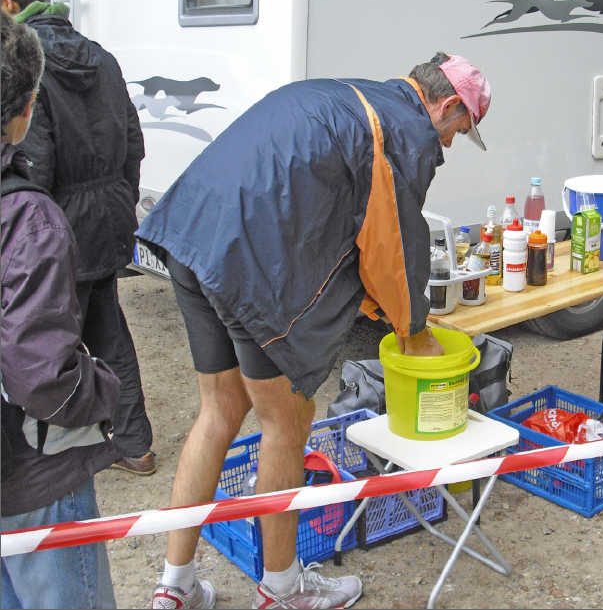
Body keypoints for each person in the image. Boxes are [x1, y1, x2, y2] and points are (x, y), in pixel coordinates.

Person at [136, 51, 491, 609]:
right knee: (285, 424)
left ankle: (174, 585)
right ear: (446, 106)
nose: (448, 144)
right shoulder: (407, 131)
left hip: (190, 231)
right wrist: (414, 330)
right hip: (245, 262)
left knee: (219, 411)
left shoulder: (352, 92)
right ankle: (283, 588)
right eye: (459, 130)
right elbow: (396, 245)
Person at [0, 0, 154, 475]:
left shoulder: (24, 62)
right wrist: (120, 200)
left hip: (56, 228)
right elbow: (133, 140)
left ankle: (53, 461)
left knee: (51, 344)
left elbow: (33, 163)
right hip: (105, 220)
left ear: (8, 2)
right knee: (109, 332)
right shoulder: (102, 56)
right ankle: (134, 445)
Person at [1, 9, 121, 609]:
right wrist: (101, 390)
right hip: (31, 470)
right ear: (25, 109)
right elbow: (42, 376)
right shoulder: (27, 219)